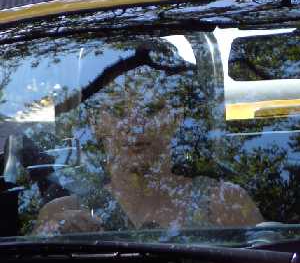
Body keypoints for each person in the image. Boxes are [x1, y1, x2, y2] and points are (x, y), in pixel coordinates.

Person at [34, 64, 263, 235]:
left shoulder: (223, 202)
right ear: (95, 123)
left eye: (151, 109)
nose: (135, 125)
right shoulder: (60, 214)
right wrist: (53, 234)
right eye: (118, 111)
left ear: (176, 117)